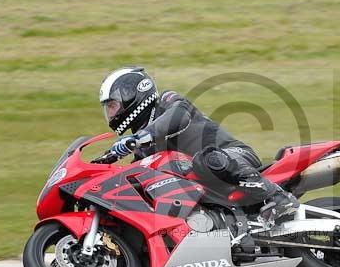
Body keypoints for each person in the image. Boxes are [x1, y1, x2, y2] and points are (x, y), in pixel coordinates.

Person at [97, 66, 299, 222]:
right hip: (209, 186)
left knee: (205, 159)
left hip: (234, 156)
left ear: (132, 95)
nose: (111, 113)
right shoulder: (143, 149)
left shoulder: (167, 102)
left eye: (113, 105)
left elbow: (179, 116)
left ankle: (277, 197)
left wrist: (140, 137)